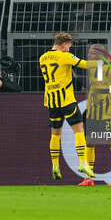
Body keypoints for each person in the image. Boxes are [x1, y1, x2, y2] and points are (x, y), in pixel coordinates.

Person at [39, 32, 96, 180]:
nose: (69, 49)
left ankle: (55, 165)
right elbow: (85, 64)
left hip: (51, 101)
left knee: (55, 134)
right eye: (69, 46)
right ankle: (83, 162)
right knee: (79, 130)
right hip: (66, 100)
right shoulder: (65, 56)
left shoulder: (43, 58)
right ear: (63, 45)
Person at [78, 44, 111, 187]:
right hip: (93, 111)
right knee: (90, 141)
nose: (88, 55)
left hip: (107, 111)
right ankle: (88, 177)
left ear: (100, 55)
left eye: (92, 53)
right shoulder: (93, 68)